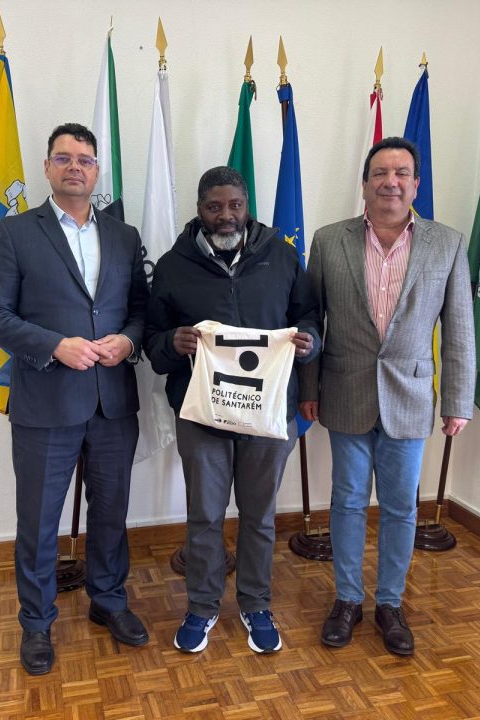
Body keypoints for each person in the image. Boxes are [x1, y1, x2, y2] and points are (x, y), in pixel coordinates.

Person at [0, 123, 149, 675]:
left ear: (97, 171)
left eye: (86, 159)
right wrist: (54, 345)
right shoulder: (15, 232)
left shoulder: (124, 236)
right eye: (64, 157)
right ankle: (36, 622)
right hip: (45, 404)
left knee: (112, 513)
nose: (76, 166)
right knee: (39, 520)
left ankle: (109, 601)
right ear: (47, 167)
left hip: (112, 403)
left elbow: (141, 310)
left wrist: (129, 341)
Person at [298, 137, 475, 656]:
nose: (390, 182)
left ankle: (390, 604)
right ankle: (348, 599)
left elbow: (459, 328)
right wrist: (308, 387)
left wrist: (457, 401)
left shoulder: (447, 244)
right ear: (365, 184)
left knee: (401, 507)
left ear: (416, 184)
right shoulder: (328, 240)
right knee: (347, 501)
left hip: (410, 395)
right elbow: (311, 321)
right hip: (345, 391)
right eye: (379, 173)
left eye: (401, 173)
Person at [144, 166, 320, 654]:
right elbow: (152, 340)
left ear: (247, 207)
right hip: (201, 414)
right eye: (214, 207)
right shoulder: (173, 265)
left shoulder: (281, 256)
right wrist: (171, 343)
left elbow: (307, 315)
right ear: (200, 210)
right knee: (204, 515)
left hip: (268, 412)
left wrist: (310, 340)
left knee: (260, 515)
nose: (225, 215)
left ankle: (256, 604)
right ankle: (201, 607)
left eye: (234, 205)